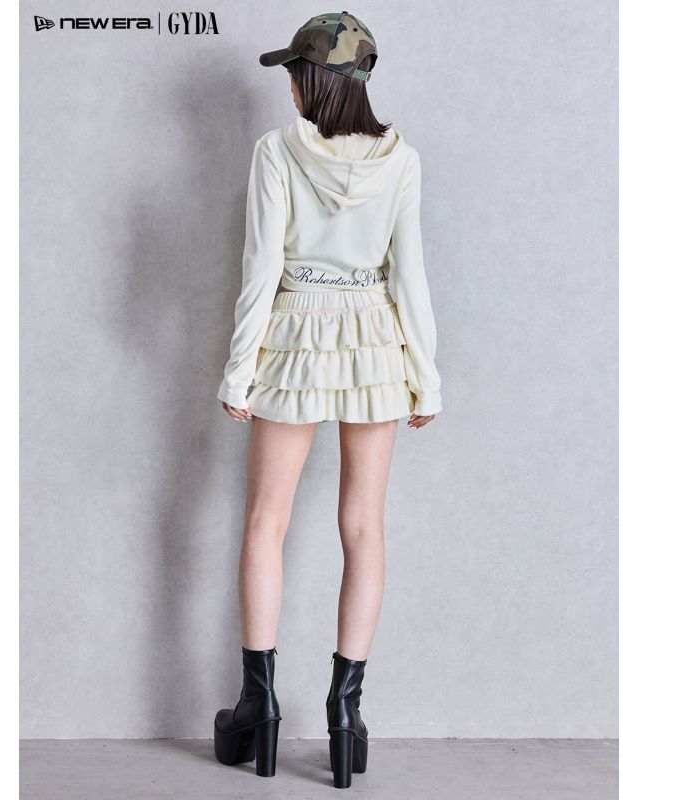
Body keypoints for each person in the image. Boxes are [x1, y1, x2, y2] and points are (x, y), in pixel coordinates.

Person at [213, 11, 443, 789]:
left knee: (264, 522)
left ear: (311, 80)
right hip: (375, 340)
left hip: (296, 339)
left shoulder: (276, 152)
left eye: (293, 72)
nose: (288, 86)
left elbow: (260, 271)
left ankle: (259, 707)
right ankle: (346, 715)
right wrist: (426, 375)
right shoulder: (401, 160)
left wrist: (239, 373)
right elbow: (409, 275)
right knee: (364, 526)